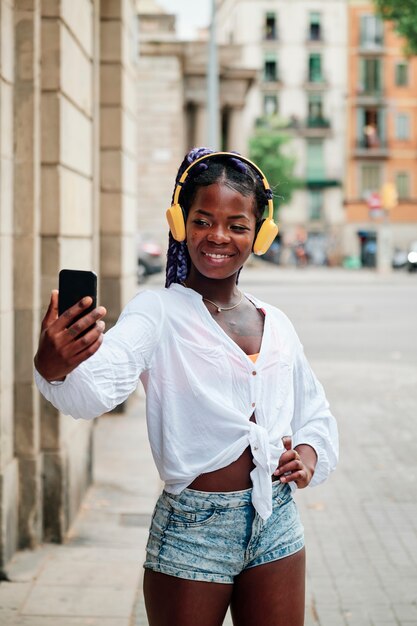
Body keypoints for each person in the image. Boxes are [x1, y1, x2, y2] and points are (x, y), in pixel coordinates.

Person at [34, 147, 338, 626]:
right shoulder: (156, 312)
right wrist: (55, 364)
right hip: (194, 530)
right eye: (203, 220)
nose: (218, 236)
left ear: (261, 233)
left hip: (277, 520)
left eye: (237, 225)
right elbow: (91, 393)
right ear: (179, 222)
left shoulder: (276, 322)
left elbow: (315, 413)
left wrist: (307, 457)